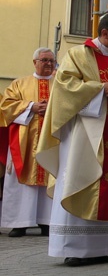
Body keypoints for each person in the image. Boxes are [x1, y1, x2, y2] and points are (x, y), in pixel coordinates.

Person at [36, 13, 108, 266]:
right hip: (84, 137)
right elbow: (64, 87)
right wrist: (100, 89)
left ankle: (104, 246)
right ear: (105, 33)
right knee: (81, 179)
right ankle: (76, 248)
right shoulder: (78, 55)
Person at [0, 47, 55, 237]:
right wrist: (32, 106)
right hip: (24, 142)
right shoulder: (19, 84)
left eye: (51, 60)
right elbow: (5, 106)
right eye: (44, 60)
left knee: (50, 176)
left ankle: (46, 222)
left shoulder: (60, 85)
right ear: (35, 62)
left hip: (52, 142)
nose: (49, 64)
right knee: (21, 183)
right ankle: (19, 222)